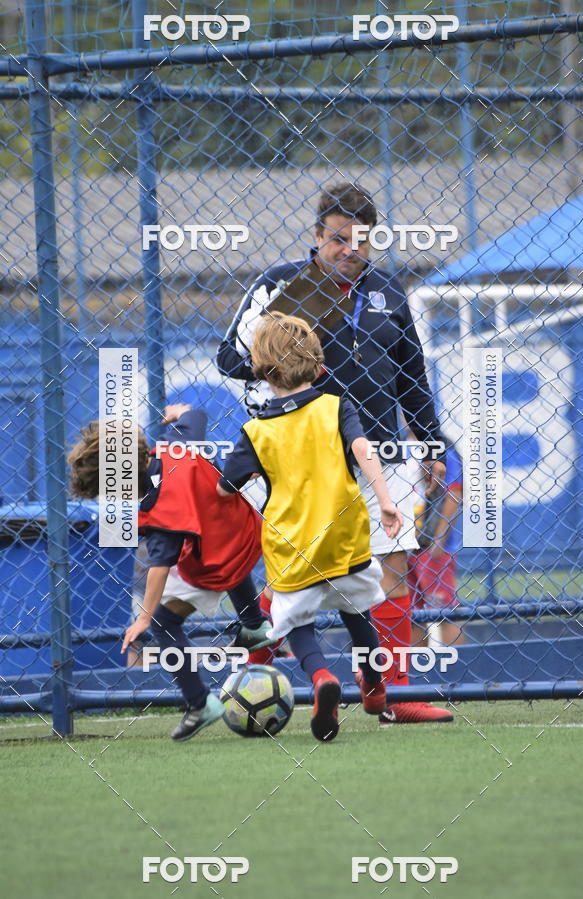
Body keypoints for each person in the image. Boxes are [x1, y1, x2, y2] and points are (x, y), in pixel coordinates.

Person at [217, 181, 452, 723]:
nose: (351, 250)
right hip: (303, 461)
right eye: (340, 239)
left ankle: (393, 697)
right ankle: (253, 682)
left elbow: (413, 379)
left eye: (363, 242)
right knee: (286, 577)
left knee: (391, 567)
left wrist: (432, 446)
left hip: (382, 455)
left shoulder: (390, 294)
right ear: (317, 236)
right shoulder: (281, 286)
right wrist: (287, 360)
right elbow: (229, 357)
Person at [216, 314, 403, 742]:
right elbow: (362, 448)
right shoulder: (335, 405)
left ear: (262, 370)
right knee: (357, 610)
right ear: (318, 364)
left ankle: (320, 678)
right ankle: (374, 686)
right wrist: (387, 501)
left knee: (291, 622)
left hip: (291, 544)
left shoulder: (256, 431)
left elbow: (226, 489)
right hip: (345, 535)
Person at [67, 404, 273, 742]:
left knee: (166, 622)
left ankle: (199, 702)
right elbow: (198, 415)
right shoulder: (175, 444)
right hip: (246, 531)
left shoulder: (157, 511)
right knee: (224, 550)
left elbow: (159, 568)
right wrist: (182, 412)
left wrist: (144, 618)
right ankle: (254, 624)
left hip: (213, 564)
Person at [409, 439, 464, 647]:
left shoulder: (439, 446)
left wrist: (438, 540)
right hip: (404, 545)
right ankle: (417, 672)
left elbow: (454, 492)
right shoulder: (396, 444)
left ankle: (458, 671)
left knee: (445, 611)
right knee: (412, 614)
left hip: (430, 544)